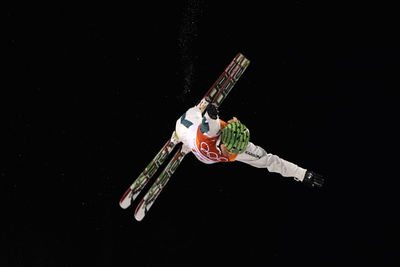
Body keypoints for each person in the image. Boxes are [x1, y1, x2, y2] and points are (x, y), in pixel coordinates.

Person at [172, 99, 325, 187]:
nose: (233, 154)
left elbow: (270, 161)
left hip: (205, 156)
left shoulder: (239, 148)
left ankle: (187, 143)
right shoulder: (211, 132)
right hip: (189, 130)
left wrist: (302, 174)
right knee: (183, 127)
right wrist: (210, 114)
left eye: (236, 151)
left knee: (199, 142)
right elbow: (211, 125)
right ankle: (181, 139)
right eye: (232, 150)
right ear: (224, 142)